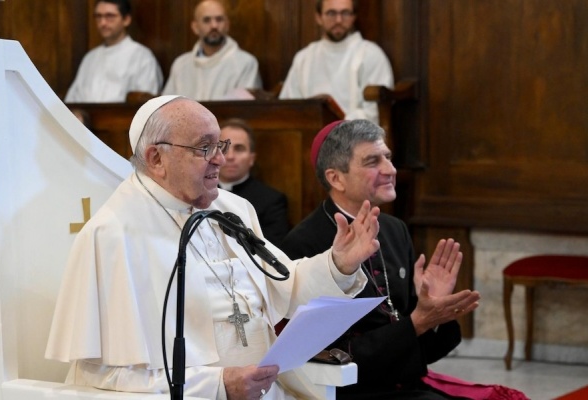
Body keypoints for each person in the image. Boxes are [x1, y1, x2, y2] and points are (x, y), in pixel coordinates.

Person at [45, 95, 381, 399]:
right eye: (205, 148)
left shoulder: (234, 210)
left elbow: (286, 286)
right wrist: (219, 386)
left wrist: (338, 264)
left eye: (220, 144)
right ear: (156, 158)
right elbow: (103, 377)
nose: (221, 159)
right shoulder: (112, 235)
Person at [280, 119, 481, 400]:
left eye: (388, 157)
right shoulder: (303, 243)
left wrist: (435, 312)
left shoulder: (394, 229)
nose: (390, 170)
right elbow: (322, 356)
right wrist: (417, 323)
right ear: (336, 178)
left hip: (404, 380)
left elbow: (425, 351)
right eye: (372, 161)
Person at [279, 0, 393, 124]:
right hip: (308, 138)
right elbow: (288, 108)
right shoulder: (304, 57)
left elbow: (374, 112)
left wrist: (338, 123)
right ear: (318, 17)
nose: (338, 20)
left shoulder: (370, 54)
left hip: (355, 139)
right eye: (331, 13)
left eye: (345, 13)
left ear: (353, 17)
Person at [64, 0, 163, 103]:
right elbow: (73, 99)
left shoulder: (142, 57)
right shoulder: (90, 58)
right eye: (98, 16)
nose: (103, 23)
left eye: (109, 16)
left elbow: (146, 103)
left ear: (126, 20)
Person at [162, 0, 262, 100]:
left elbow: (247, 110)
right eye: (206, 20)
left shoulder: (245, 63)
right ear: (195, 27)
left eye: (219, 19)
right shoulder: (180, 65)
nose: (214, 25)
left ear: (227, 25)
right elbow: (165, 107)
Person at [218, 118, 290, 246]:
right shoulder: (196, 193)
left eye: (239, 149)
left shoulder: (272, 201)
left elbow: (272, 248)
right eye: (223, 147)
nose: (230, 156)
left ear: (252, 158)